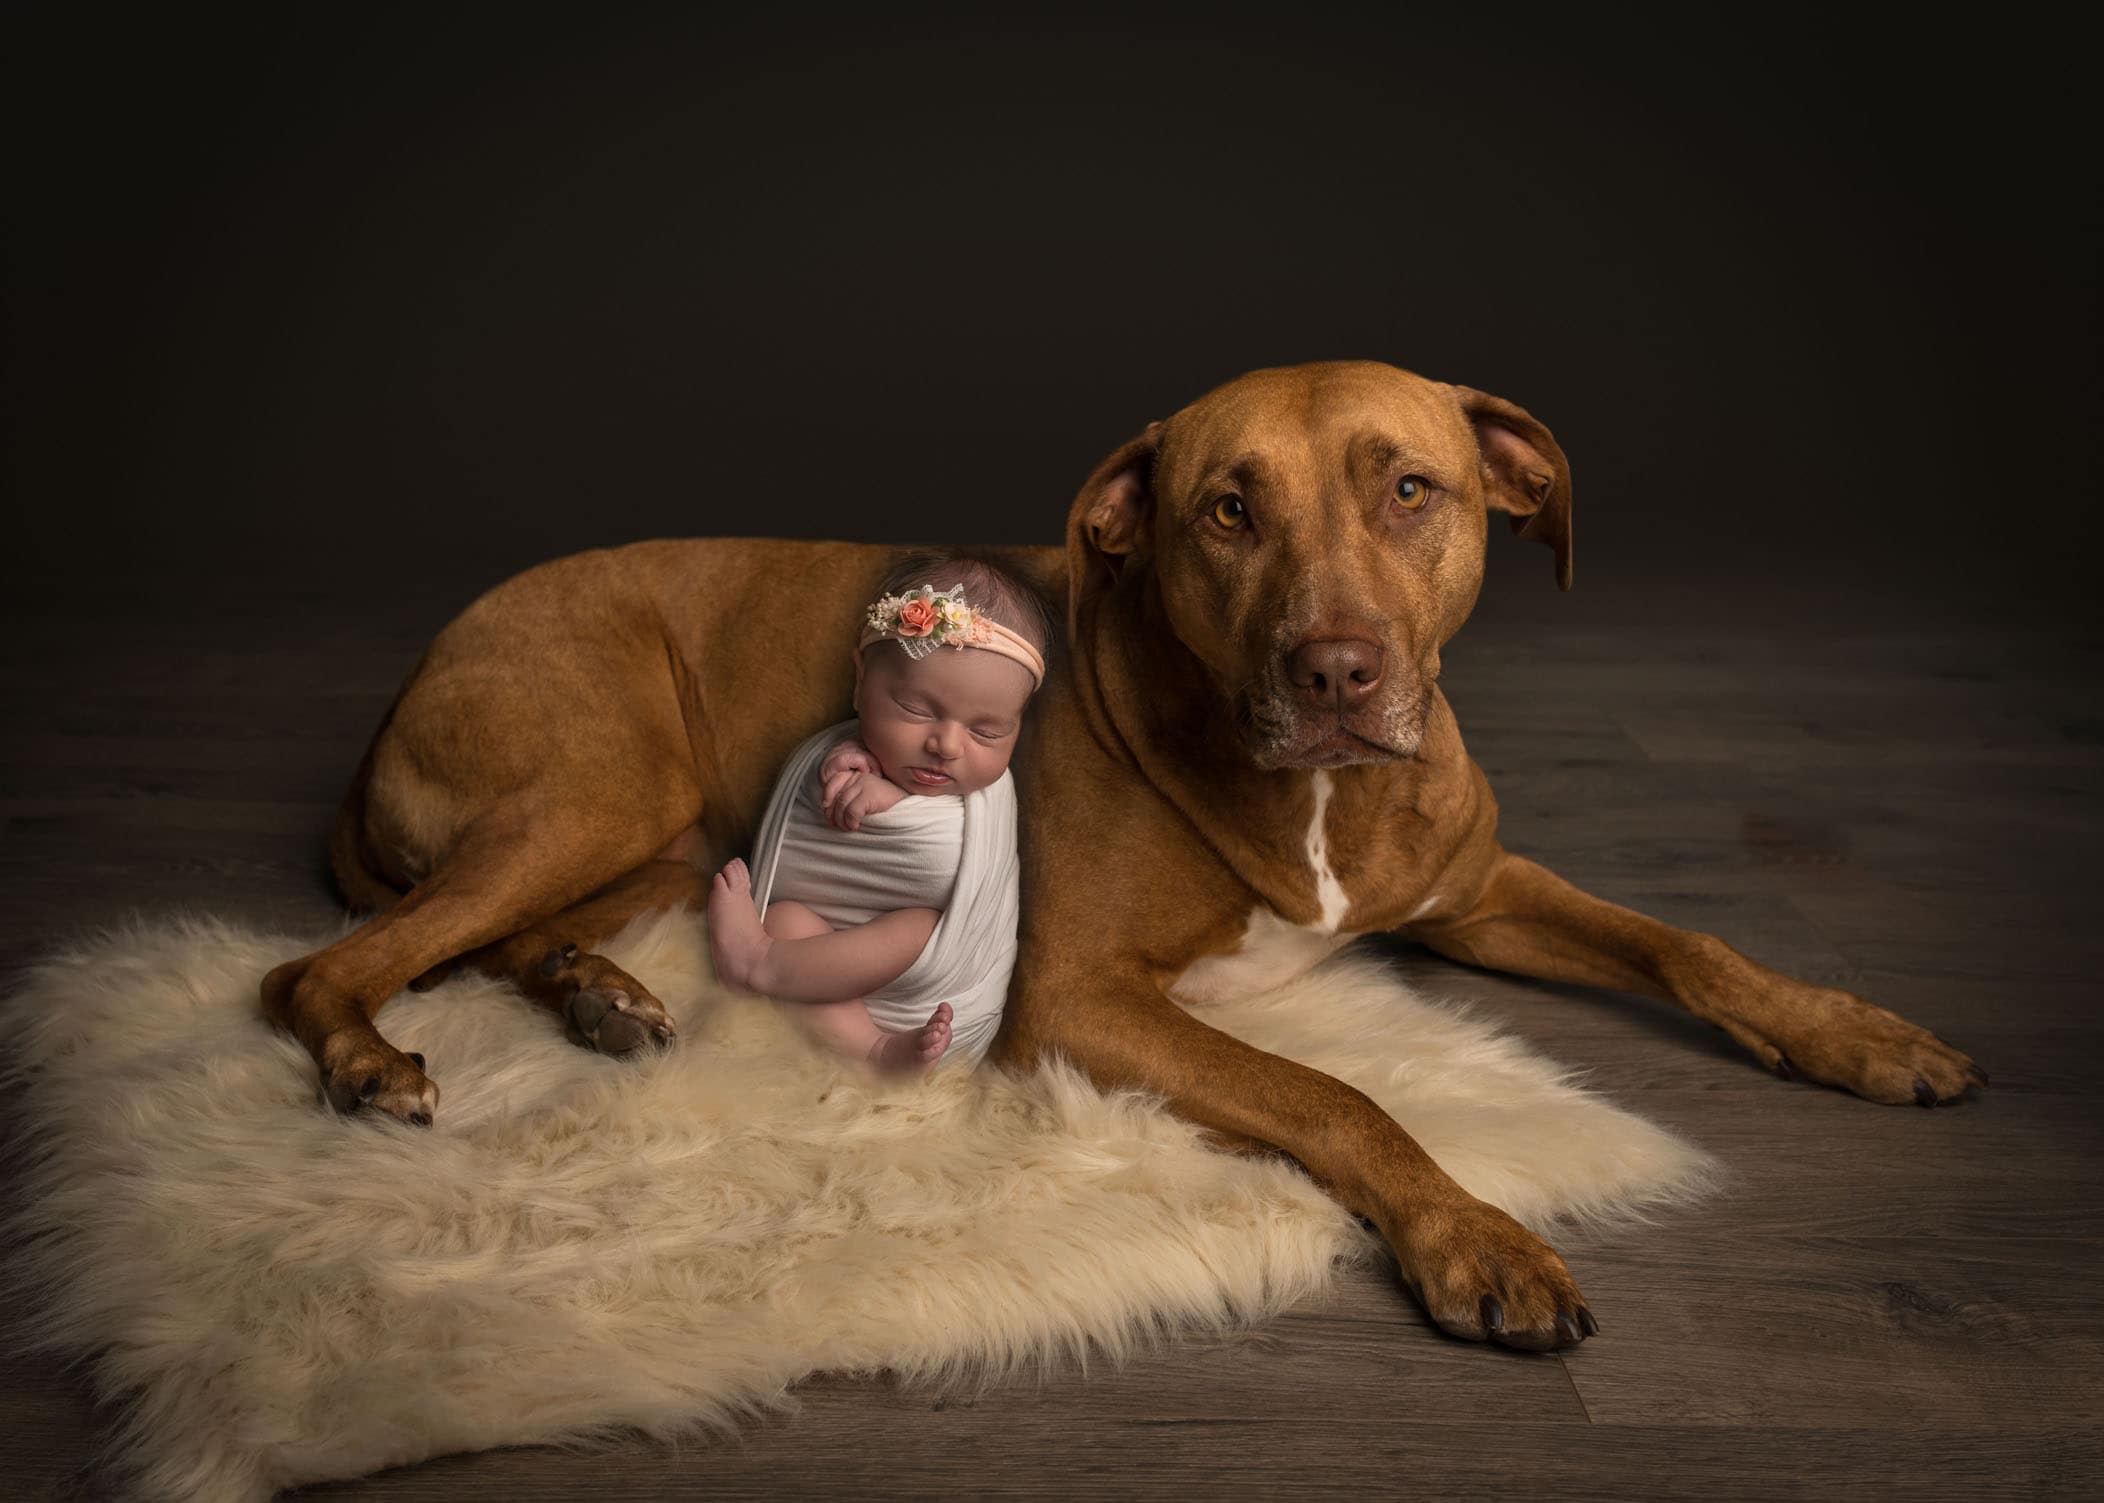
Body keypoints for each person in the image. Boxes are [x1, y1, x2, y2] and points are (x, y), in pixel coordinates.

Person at [706, 553, 1050, 1073]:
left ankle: (761, 965)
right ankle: (861, 1041)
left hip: (936, 999)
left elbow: (949, 858)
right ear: (860, 681)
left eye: (987, 731)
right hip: (820, 973)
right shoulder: (843, 752)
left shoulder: (989, 798)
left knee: (920, 926)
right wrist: (842, 768)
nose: (947, 745)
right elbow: (825, 813)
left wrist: (890, 802)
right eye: (916, 710)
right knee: (785, 919)